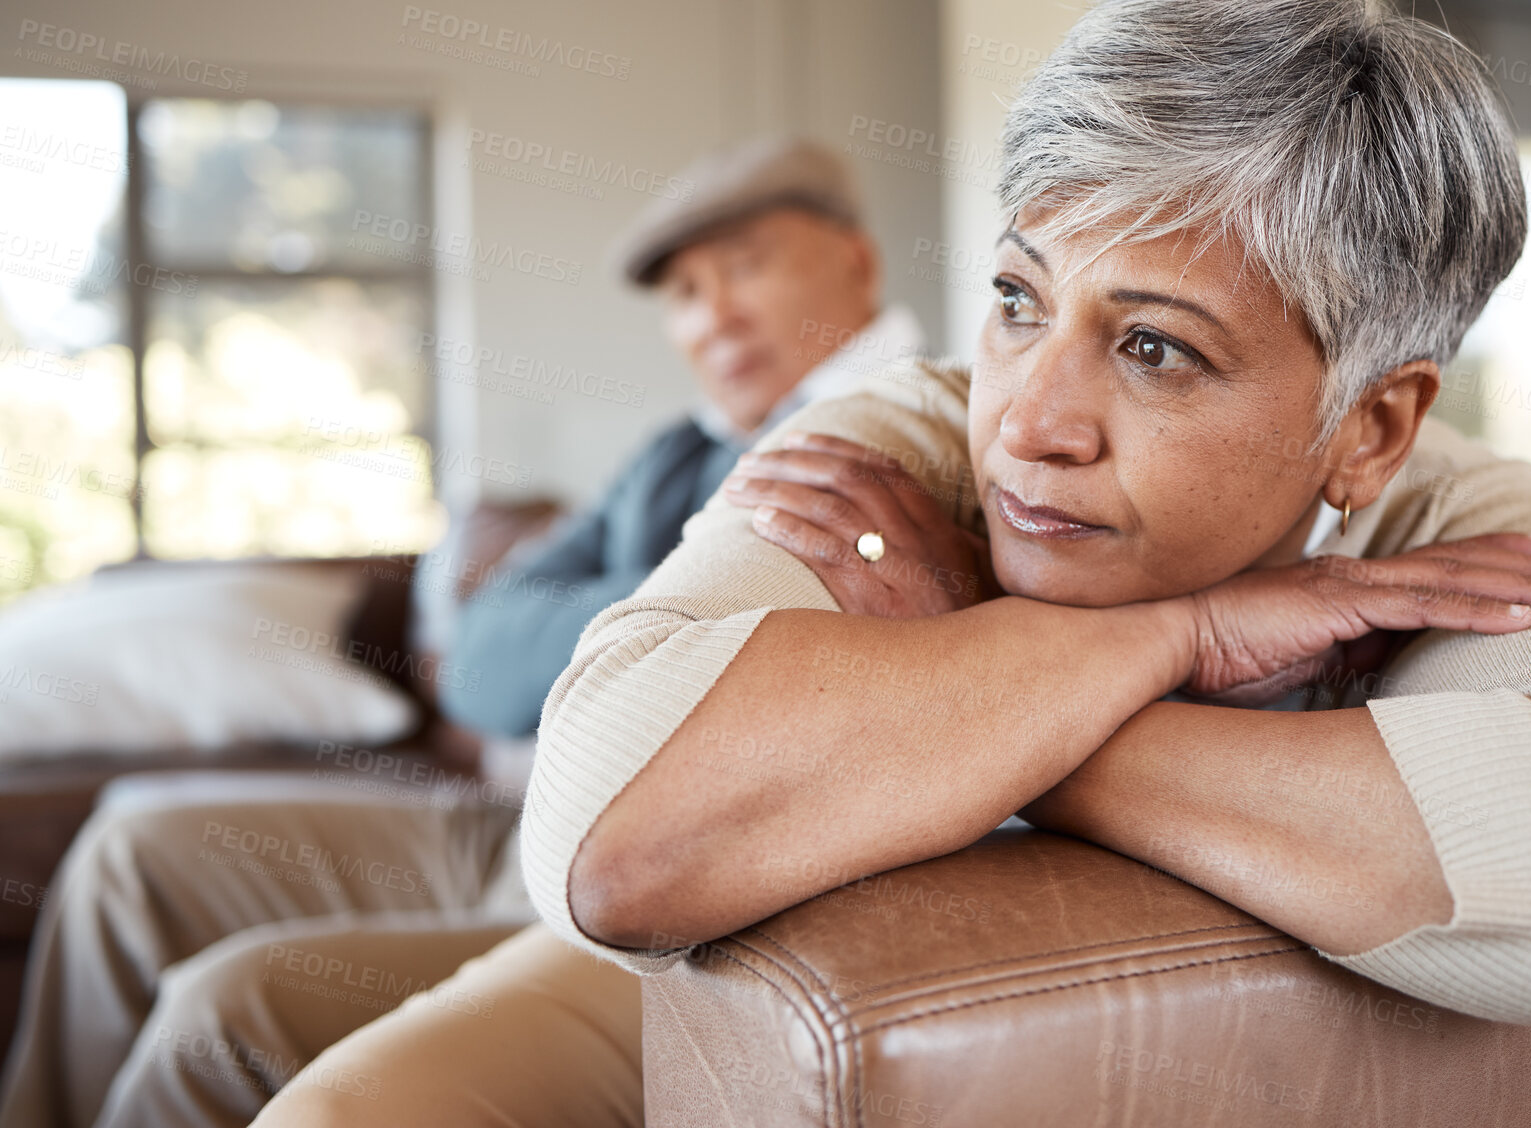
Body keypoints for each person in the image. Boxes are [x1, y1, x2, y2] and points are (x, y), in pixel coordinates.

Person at [249, 0, 1531, 1122]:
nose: (1027, 423)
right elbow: (610, 840)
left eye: (1155, 348)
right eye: (1021, 299)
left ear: (1371, 425)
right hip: (731, 957)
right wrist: (1171, 638)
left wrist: (993, 684)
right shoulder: (900, 441)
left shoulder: (1468, 536)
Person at [0, 136, 923, 1128]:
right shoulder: (678, 451)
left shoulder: (888, 437)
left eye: (745, 266)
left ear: (855, 262)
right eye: (686, 292)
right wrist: (666, 601)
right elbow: (481, 665)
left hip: (634, 887)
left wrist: (631, 615)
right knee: (131, 848)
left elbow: (708, 694)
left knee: (222, 1014)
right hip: (510, 829)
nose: (713, 317)